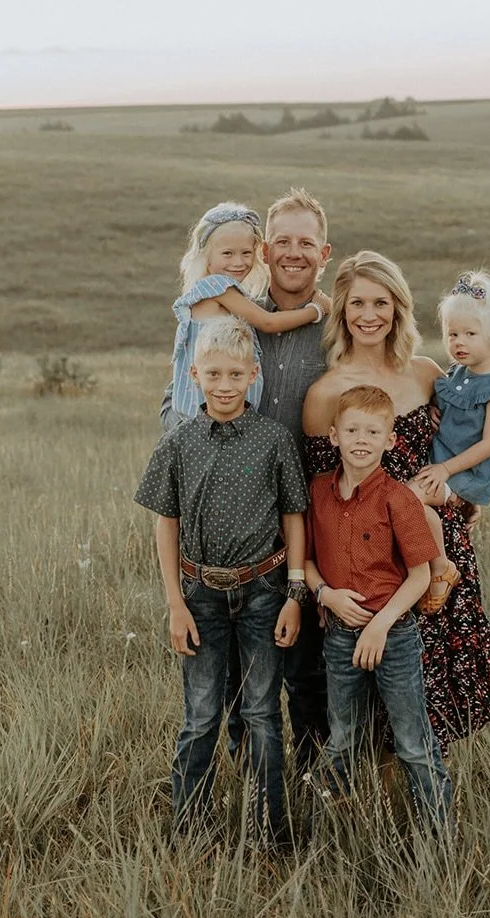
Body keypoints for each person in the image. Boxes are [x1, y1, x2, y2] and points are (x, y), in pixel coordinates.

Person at [303, 251, 490, 752]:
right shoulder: (324, 394)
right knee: (375, 687)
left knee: (432, 681)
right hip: (367, 559)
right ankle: (373, 806)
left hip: (435, 548)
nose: (369, 315)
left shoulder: (428, 373)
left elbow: (467, 438)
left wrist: (467, 496)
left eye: (381, 302)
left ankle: (425, 803)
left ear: (398, 308)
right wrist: (323, 584)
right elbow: (321, 496)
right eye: (357, 303)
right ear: (341, 310)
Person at [160, 188, 333, 773]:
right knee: (235, 671)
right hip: (243, 519)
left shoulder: (333, 327)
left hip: (313, 514)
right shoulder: (234, 312)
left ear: (322, 252)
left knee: (307, 657)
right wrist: (186, 448)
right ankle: (249, 775)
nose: (291, 252)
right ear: (265, 248)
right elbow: (180, 388)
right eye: (281, 241)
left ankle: (312, 774)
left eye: (304, 242)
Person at [135, 317, 310, 842]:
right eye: (214, 374)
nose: (225, 385)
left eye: (236, 374)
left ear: (254, 374)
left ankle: (267, 831)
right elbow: (165, 523)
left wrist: (296, 595)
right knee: (202, 716)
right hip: (200, 596)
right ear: (195, 374)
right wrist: (175, 604)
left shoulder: (274, 440)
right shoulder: (179, 442)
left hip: (263, 592)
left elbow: (294, 518)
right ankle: (189, 829)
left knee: (261, 712)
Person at [305, 385, 452, 829]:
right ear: (334, 436)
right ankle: (326, 836)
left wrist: (381, 625)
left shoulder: (398, 498)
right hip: (338, 635)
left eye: (373, 431)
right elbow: (306, 561)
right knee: (344, 737)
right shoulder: (318, 493)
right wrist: (324, 594)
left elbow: (421, 575)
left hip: (396, 635)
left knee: (411, 740)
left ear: (390, 440)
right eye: (352, 429)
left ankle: (438, 840)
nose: (361, 439)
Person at [408, 270, 490, 612]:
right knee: (407, 497)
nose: (458, 342)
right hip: (444, 467)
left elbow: (489, 444)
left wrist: (445, 470)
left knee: (410, 498)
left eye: (470, 334)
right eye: (452, 334)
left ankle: (441, 566)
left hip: (463, 475)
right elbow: (448, 411)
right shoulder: (456, 376)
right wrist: (432, 410)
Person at [170, 201, 326, 421]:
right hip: (207, 417)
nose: (238, 262)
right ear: (207, 256)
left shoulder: (232, 298)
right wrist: (316, 310)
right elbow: (268, 322)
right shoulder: (216, 287)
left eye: (245, 253)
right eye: (228, 254)